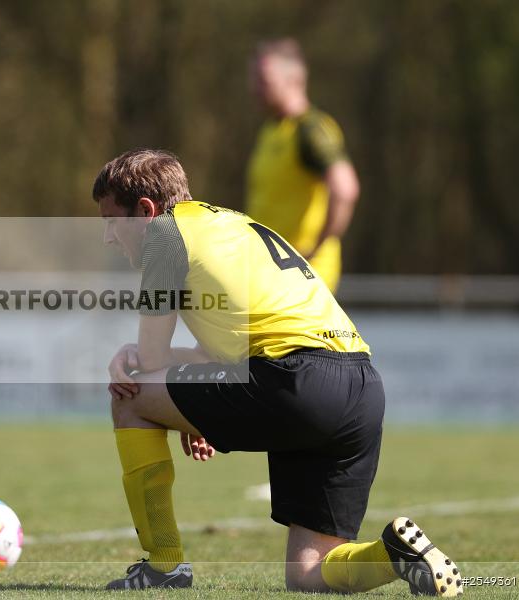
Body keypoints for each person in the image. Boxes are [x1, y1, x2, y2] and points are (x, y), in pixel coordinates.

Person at [94, 149, 461, 596]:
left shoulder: (165, 237)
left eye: (113, 221)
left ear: (146, 210)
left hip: (293, 381)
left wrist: (143, 367)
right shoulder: (230, 224)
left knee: (129, 395)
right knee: (308, 573)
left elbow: (150, 363)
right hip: (360, 387)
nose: (111, 237)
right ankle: (394, 554)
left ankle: (163, 566)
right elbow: (230, 343)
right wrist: (189, 409)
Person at [245, 38, 360, 293]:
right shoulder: (271, 130)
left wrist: (315, 250)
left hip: (302, 276)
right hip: (273, 273)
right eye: (253, 80)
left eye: (264, 80)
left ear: (293, 80)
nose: (255, 88)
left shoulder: (311, 130)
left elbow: (345, 190)